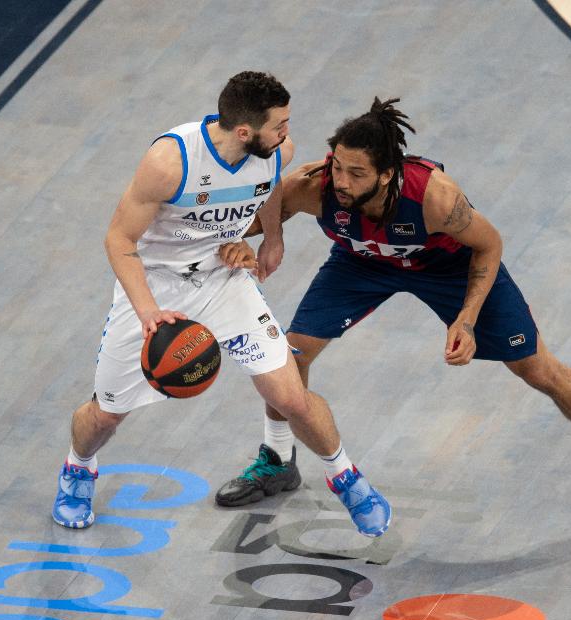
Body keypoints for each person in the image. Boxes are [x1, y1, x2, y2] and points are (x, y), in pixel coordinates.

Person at [215, 97, 571, 533]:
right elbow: (259, 211)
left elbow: (489, 244)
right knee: (288, 356)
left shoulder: (435, 199)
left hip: (448, 267)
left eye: (356, 173)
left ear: (387, 174)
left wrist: (466, 319)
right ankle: (278, 459)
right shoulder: (313, 185)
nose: (342, 182)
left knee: (537, 368)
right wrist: (254, 239)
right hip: (362, 262)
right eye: (338, 167)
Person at [53, 73, 392, 537]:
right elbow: (119, 240)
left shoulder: (277, 151)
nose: (287, 133)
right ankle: (78, 468)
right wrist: (149, 312)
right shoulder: (169, 162)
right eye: (279, 125)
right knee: (106, 414)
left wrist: (271, 237)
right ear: (244, 132)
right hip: (156, 287)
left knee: (291, 396)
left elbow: (268, 185)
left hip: (222, 279)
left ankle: (346, 477)